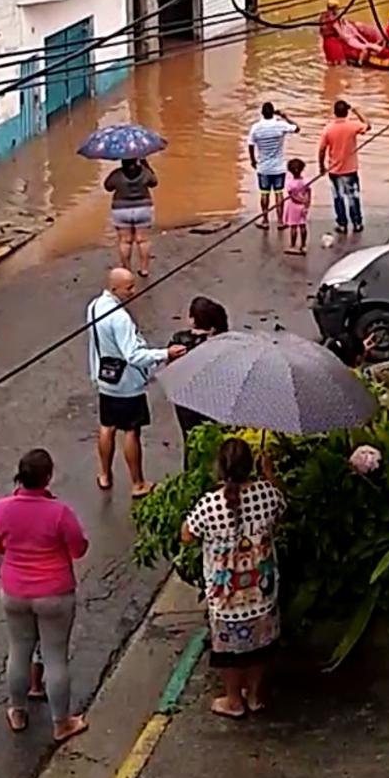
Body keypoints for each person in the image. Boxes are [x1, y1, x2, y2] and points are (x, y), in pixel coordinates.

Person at [0, 448, 89, 744]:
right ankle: (62, 723)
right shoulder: (59, 512)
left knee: (19, 650)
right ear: (48, 477)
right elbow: (78, 547)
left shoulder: (1, 508)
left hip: (15, 590)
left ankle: (17, 711)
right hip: (55, 592)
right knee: (56, 657)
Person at [181, 438, 286, 718]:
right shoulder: (267, 494)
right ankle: (253, 695)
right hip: (261, 594)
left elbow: (187, 535)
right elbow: (282, 510)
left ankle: (232, 700)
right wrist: (269, 474)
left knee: (230, 653)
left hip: (226, 597)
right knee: (259, 647)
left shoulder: (210, 504)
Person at [87, 267, 185, 496]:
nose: (133, 291)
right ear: (114, 288)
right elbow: (133, 355)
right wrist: (165, 354)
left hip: (105, 377)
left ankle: (104, 474)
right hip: (126, 383)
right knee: (131, 431)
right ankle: (138, 483)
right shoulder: (120, 318)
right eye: (128, 287)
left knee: (107, 426)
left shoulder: (94, 306)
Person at [170, 296, 229, 457]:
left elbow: (171, 368)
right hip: (214, 399)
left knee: (191, 441)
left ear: (193, 319)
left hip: (186, 400)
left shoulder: (179, 341)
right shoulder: (224, 342)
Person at [318, 100, 370, 236]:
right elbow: (368, 126)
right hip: (350, 169)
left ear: (334, 113)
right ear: (346, 112)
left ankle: (342, 224)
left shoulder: (328, 129)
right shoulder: (352, 126)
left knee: (338, 197)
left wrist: (321, 166)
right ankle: (357, 223)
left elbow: (322, 150)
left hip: (334, 170)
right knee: (353, 197)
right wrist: (356, 111)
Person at [247, 102, 299, 231]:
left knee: (264, 194)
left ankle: (265, 220)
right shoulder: (280, 125)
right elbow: (297, 128)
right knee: (278, 193)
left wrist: (253, 160)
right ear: (273, 113)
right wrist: (285, 116)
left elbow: (250, 145)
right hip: (278, 167)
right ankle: (280, 221)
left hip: (263, 167)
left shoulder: (256, 128)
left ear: (262, 113)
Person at [104, 158, 158, 277]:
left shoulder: (117, 174)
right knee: (142, 240)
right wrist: (146, 165)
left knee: (125, 241)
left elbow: (107, 186)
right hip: (143, 209)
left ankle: (127, 270)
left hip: (121, 209)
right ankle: (144, 269)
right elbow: (154, 182)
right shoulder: (145, 172)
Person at [283, 157, 312, 255]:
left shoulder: (290, 183)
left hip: (293, 207)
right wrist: (306, 202)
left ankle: (293, 245)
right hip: (302, 207)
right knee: (303, 225)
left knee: (293, 227)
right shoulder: (305, 181)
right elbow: (308, 192)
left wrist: (300, 200)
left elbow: (292, 196)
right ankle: (303, 245)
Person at [318, 0, 345, 65]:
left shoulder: (322, 17)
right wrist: (345, 38)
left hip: (326, 42)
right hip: (334, 42)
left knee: (330, 62)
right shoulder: (333, 18)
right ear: (335, 8)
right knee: (340, 63)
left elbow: (321, 31)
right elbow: (338, 30)